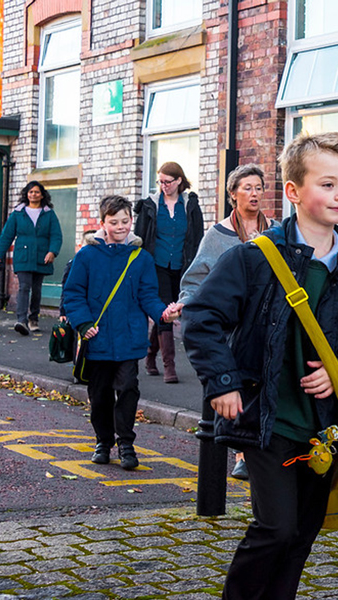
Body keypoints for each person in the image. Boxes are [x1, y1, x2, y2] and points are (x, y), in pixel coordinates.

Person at [181, 132, 338, 599]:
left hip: (322, 426)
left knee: (303, 533)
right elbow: (201, 317)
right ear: (293, 191)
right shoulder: (253, 258)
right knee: (276, 527)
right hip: (266, 418)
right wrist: (223, 383)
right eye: (327, 185)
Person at [168, 163, 279, 481]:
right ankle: (242, 454)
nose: (254, 193)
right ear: (233, 194)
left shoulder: (277, 231)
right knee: (240, 386)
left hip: (268, 325)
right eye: (247, 188)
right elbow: (195, 280)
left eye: (258, 187)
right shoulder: (217, 236)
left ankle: (261, 449)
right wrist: (186, 304)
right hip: (233, 329)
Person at [62, 195, 175, 470]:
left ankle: (126, 443)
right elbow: (73, 294)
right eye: (114, 222)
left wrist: (162, 312)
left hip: (129, 337)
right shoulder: (87, 255)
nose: (121, 226)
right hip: (97, 337)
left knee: (127, 389)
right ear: (102, 223)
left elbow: (148, 294)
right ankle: (103, 441)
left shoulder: (141, 257)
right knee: (99, 394)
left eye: (125, 221)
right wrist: (84, 324)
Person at [134, 161, 204, 383]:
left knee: (169, 311)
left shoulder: (190, 204)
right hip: (157, 265)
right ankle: (169, 367)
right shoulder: (150, 205)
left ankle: (150, 355)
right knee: (165, 309)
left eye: (168, 181)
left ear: (179, 181)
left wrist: (196, 265)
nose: (163, 186)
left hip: (182, 266)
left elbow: (198, 238)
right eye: (160, 181)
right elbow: (140, 237)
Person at [0, 181, 63, 335]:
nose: (33, 195)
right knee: (24, 287)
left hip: (42, 256)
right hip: (23, 256)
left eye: (37, 192)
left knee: (36, 289)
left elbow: (56, 236)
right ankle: (21, 320)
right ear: (26, 194)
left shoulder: (49, 214)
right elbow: (6, 236)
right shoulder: (18, 213)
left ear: (42, 195)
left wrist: (52, 252)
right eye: (30, 192)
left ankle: (33, 319)